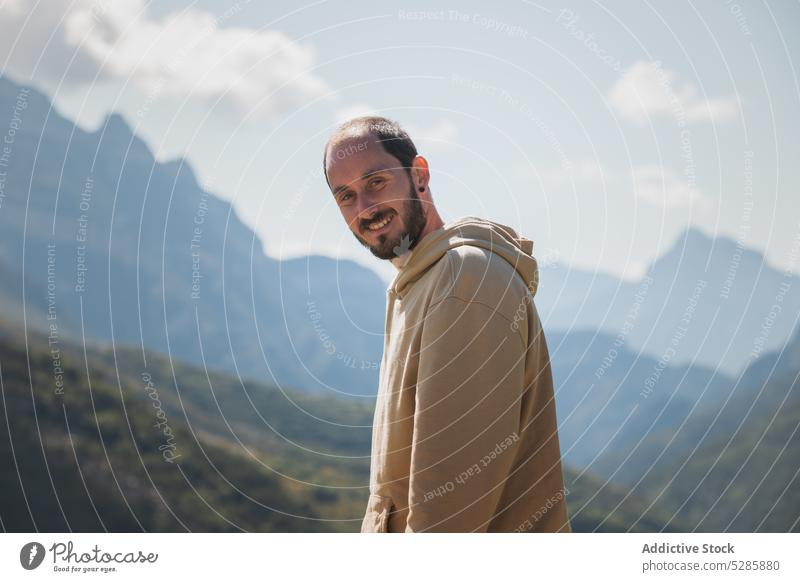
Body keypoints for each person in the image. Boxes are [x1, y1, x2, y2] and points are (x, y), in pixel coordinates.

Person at [323, 116, 571, 533]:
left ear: (419, 174)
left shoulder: (463, 283)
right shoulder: (417, 284)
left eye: (376, 182)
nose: (365, 208)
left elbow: (448, 513)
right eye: (346, 196)